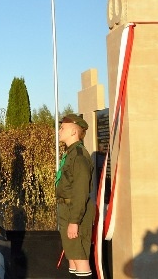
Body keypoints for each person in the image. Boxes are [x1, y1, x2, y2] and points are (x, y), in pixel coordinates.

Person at [56, 114, 95, 279]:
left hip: (75, 212)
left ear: (73, 131)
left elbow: (80, 191)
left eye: (62, 128)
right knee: (72, 256)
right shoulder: (71, 153)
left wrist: (74, 221)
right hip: (67, 210)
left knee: (80, 258)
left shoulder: (79, 156)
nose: (59, 131)